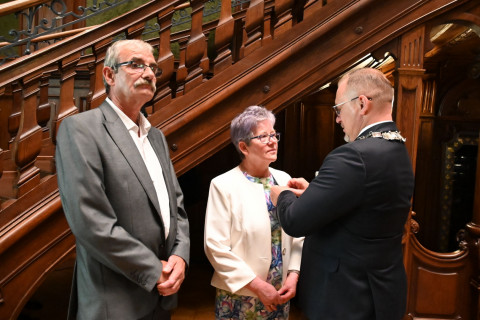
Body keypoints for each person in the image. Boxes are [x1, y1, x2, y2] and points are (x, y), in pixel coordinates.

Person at [56, 39, 190, 320]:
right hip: (114, 304)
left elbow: (176, 206)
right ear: (109, 74)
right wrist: (155, 270)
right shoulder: (81, 130)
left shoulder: (157, 137)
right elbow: (91, 221)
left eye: (153, 67)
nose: (149, 73)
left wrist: (180, 256)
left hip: (161, 298)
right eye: (136, 65)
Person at [271, 67, 415, 320]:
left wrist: (282, 195)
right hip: (381, 289)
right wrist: (315, 192)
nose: (338, 118)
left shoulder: (353, 156)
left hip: (347, 297)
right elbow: (363, 201)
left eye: (338, 109)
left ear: (361, 103)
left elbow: (295, 221)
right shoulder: (396, 146)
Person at [204, 106, 304, 319]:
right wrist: (258, 286)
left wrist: (293, 275)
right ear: (244, 147)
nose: (273, 141)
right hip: (241, 293)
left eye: (274, 134)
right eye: (263, 136)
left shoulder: (284, 178)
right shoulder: (223, 185)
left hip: (279, 292)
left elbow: (297, 235)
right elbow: (215, 247)